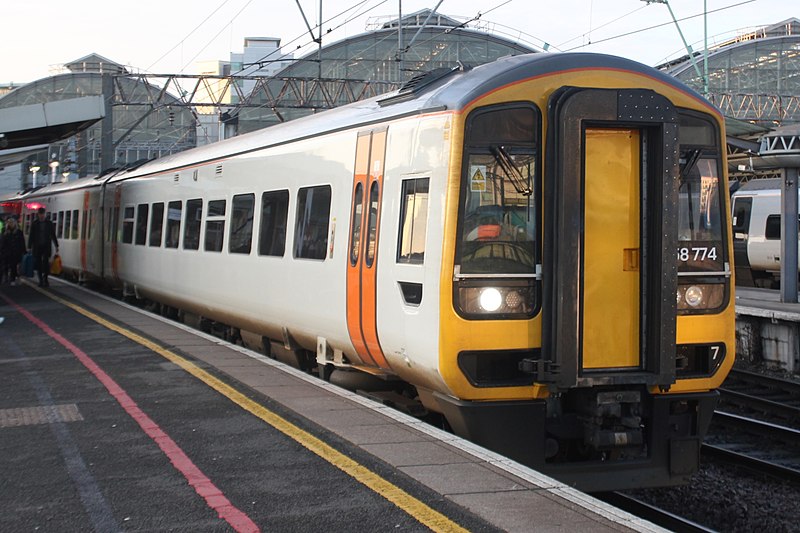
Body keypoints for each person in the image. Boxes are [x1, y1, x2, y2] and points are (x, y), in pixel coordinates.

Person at [27, 207, 59, 287]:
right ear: (38, 214)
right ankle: (41, 280)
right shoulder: (35, 223)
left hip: (46, 246)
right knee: (38, 264)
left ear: (44, 214)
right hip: (37, 246)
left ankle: (45, 278)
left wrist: (56, 245)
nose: (41, 216)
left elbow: (53, 234)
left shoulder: (49, 223)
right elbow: (31, 235)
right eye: (40, 214)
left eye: (42, 214)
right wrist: (29, 246)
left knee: (45, 263)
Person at [1, 217, 26, 285]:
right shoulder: (5, 231)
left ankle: (12, 279)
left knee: (13, 266)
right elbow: (2, 241)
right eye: (9, 222)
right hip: (7, 252)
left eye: (12, 222)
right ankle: (6, 276)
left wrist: (23, 251)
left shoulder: (19, 232)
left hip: (15, 252)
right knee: (5, 265)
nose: (11, 224)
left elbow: (22, 242)